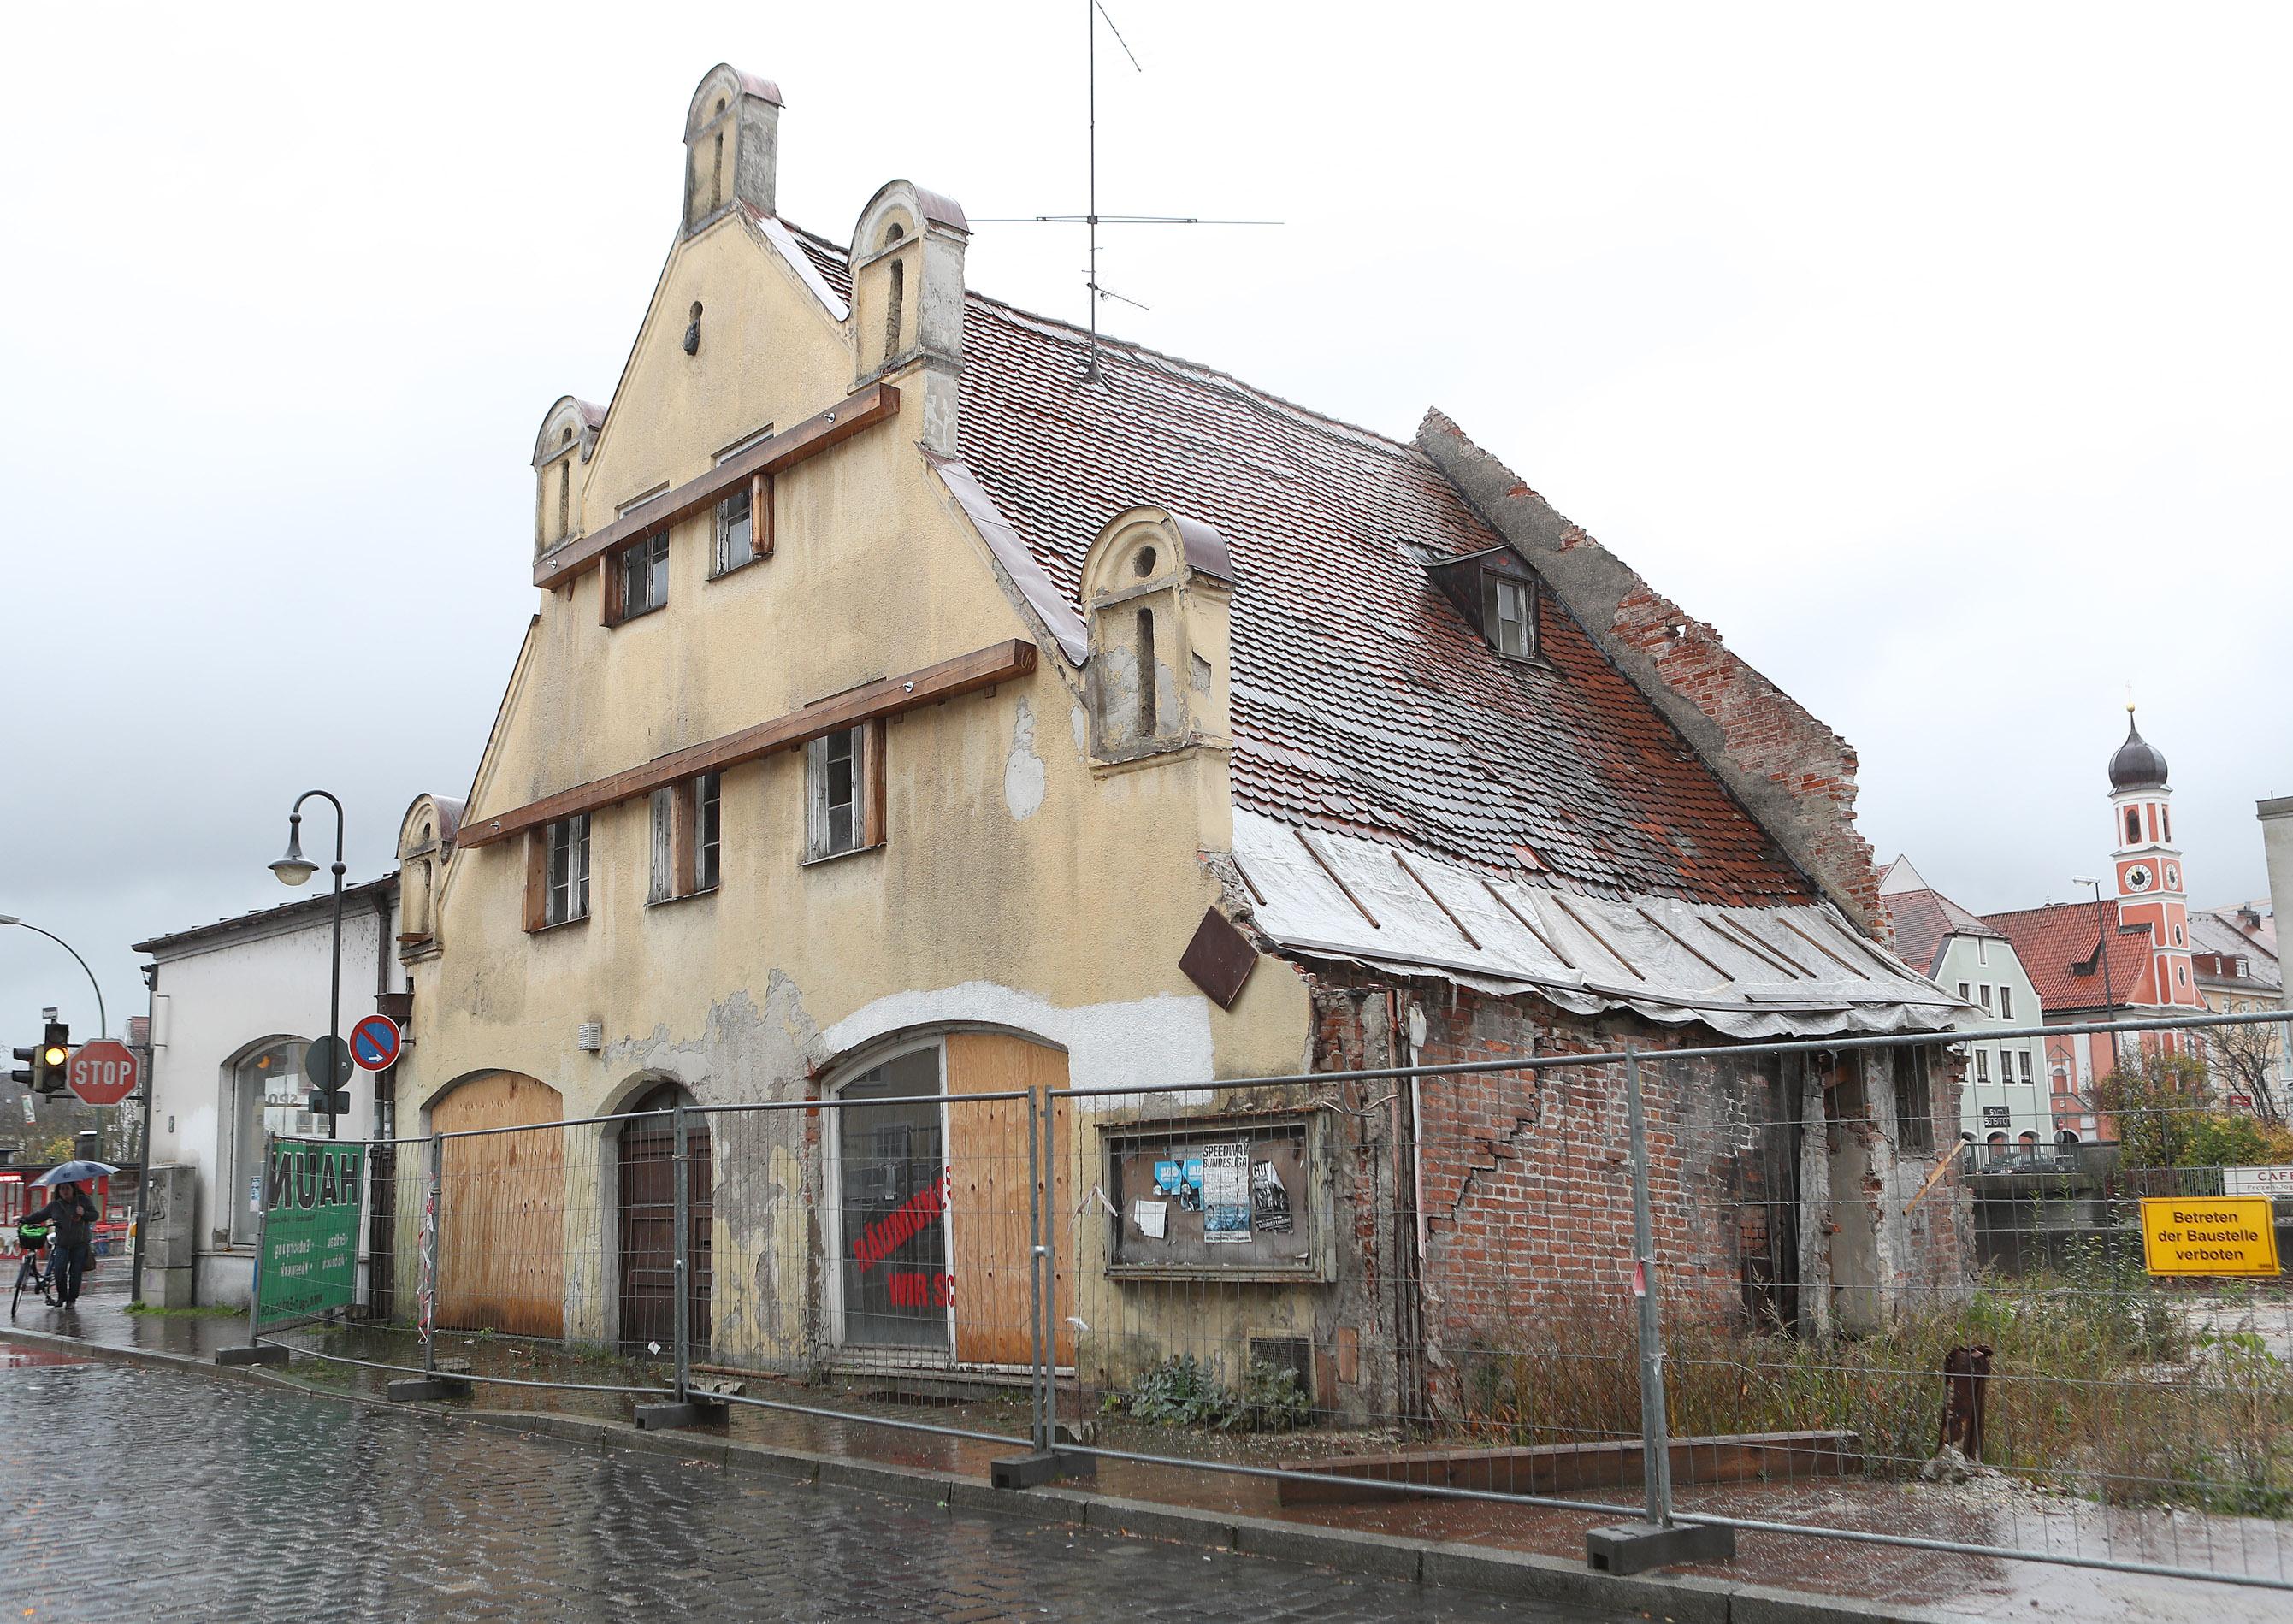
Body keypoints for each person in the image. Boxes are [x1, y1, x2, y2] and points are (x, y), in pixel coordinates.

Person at [20, 1181, 98, 1308]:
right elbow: (41, 1215)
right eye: (62, 1189)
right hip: (62, 1243)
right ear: (58, 1191)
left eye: (67, 1188)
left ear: (73, 1189)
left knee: (75, 1272)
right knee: (59, 1271)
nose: (65, 1191)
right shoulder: (55, 1205)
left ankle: (71, 1300)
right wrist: (25, 1219)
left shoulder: (83, 1201)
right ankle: (62, 1296)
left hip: (80, 1243)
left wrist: (84, 1213)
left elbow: (95, 1215)